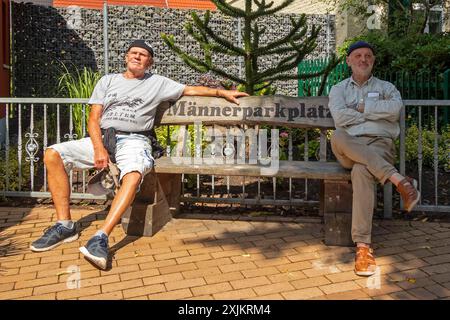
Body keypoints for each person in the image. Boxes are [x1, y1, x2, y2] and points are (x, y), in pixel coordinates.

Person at [30, 40, 248, 270]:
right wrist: (98, 148)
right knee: (53, 153)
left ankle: (100, 237)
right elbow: (94, 118)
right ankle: (65, 225)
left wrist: (220, 92)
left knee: (133, 174)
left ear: (149, 62)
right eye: (133, 53)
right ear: (126, 57)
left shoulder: (158, 83)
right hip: (104, 137)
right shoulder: (108, 81)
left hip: (135, 139)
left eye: (143, 54)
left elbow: (189, 90)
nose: (137, 56)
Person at [328, 41, 420, 277]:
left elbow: (394, 110)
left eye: (368, 55)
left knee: (361, 170)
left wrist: (360, 109)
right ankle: (399, 180)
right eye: (357, 55)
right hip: (348, 145)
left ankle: (363, 249)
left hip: (379, 145)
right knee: (339, 134)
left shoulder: (387, 87)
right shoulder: (338, 89)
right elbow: (339, 117)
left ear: (374, 60)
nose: (363, 59)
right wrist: (373, 114)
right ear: (348, 61)